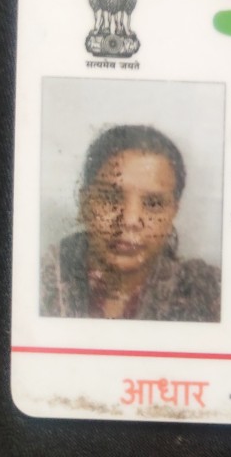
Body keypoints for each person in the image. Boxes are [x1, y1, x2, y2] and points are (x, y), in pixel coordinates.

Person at [41, 125, 220, 321]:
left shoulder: (209, 295)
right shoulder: (34, 281)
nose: (129, 220)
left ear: (172, 213)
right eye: (110, 198)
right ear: (85, 203)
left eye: (153, 204)